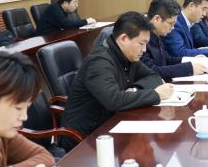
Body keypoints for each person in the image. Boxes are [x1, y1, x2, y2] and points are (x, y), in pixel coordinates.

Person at [61, 12, 173, 144]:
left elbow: (154, 76)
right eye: (141, 43)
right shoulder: (99, 62)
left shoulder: (129, 56)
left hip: (111, 125)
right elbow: (114, 101)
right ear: (123, 39)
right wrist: (155, 94)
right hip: (84, 138)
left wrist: (134, 90)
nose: (144, 49)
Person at [143, 0, 208, 80]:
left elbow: (167, 59)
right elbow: (152, 70)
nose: (173, 28)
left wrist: (191, 60)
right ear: (157, 19)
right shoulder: (142, 38)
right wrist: (189, 68)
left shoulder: (157, 34)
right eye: (171, 23)